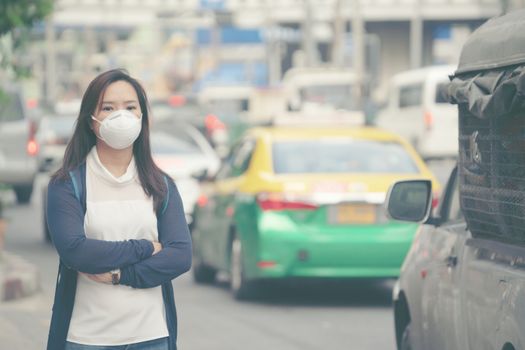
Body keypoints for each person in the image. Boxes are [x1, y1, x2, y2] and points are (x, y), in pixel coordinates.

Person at [46, 69, 192, 350]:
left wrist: (119, 276)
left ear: (141, 116)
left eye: (130, 107)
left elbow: (180, 256)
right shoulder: (67, 185)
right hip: (86, 338)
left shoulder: (161, 185)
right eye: (108, 108)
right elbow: (76, 252)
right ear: (91, 119)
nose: (120, 115)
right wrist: (146, 248)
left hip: (151, 336)